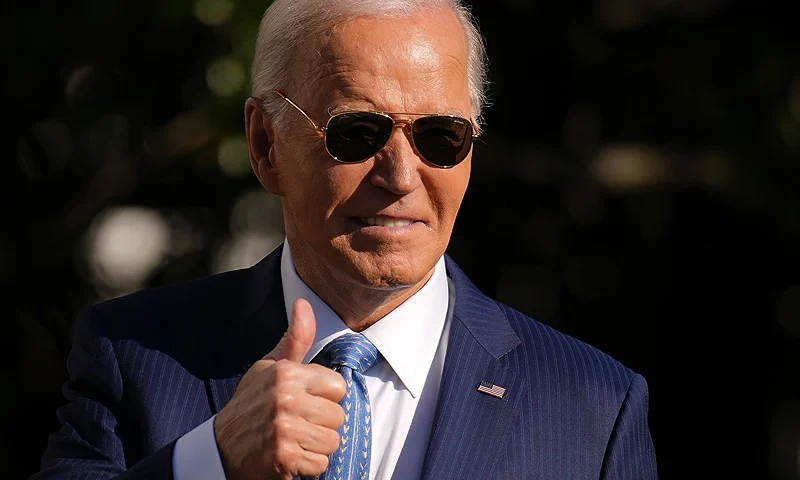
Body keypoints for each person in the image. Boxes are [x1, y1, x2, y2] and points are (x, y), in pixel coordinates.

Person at [33, 0, 657, 478]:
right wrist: (211, 460)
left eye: (440, 136)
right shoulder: (134, 357)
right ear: (265, 144)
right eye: (357, 133)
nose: (401, 177)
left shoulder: (593, 407)